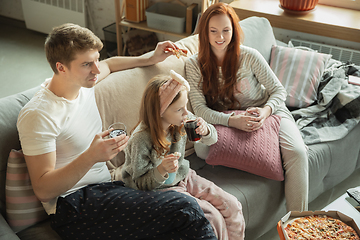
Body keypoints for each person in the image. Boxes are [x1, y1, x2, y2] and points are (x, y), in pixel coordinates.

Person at [17, 23, 217, 240]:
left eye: (96, 59)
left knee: (179, 221)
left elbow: (110, 64)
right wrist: (91, 156)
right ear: (61, 67)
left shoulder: (83, 83)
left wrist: (151, 57)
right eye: (87, 64)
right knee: (184, 209)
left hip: (108, 187)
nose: (96, 69)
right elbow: (43, 190)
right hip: (74, 205)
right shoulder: (38, 115)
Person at [185, 3, 309, 212]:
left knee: (298, 153)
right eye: (213, 31)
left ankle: (299, 222)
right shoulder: (194, 65)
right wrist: (232, 121)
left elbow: (279, 92)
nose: (220, 37)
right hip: (227, 118)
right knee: (202, 148)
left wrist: (265, 111)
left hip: (267, 111)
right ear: (204, 33)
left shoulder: (249, 56)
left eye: (226, 30)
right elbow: (200, 110)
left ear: (234, 30)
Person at [121, 70, 246, 240]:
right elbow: (139, 183)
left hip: (183, 176)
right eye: (180, 109)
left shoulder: (181, 121)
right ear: (160, 111)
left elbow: (212, 139)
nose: (186, 113)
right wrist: (160, 170)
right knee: (212, 218)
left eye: (186, 106)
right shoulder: (141, 139)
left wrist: (206, 130)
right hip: (161, 190)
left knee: (233, 205)